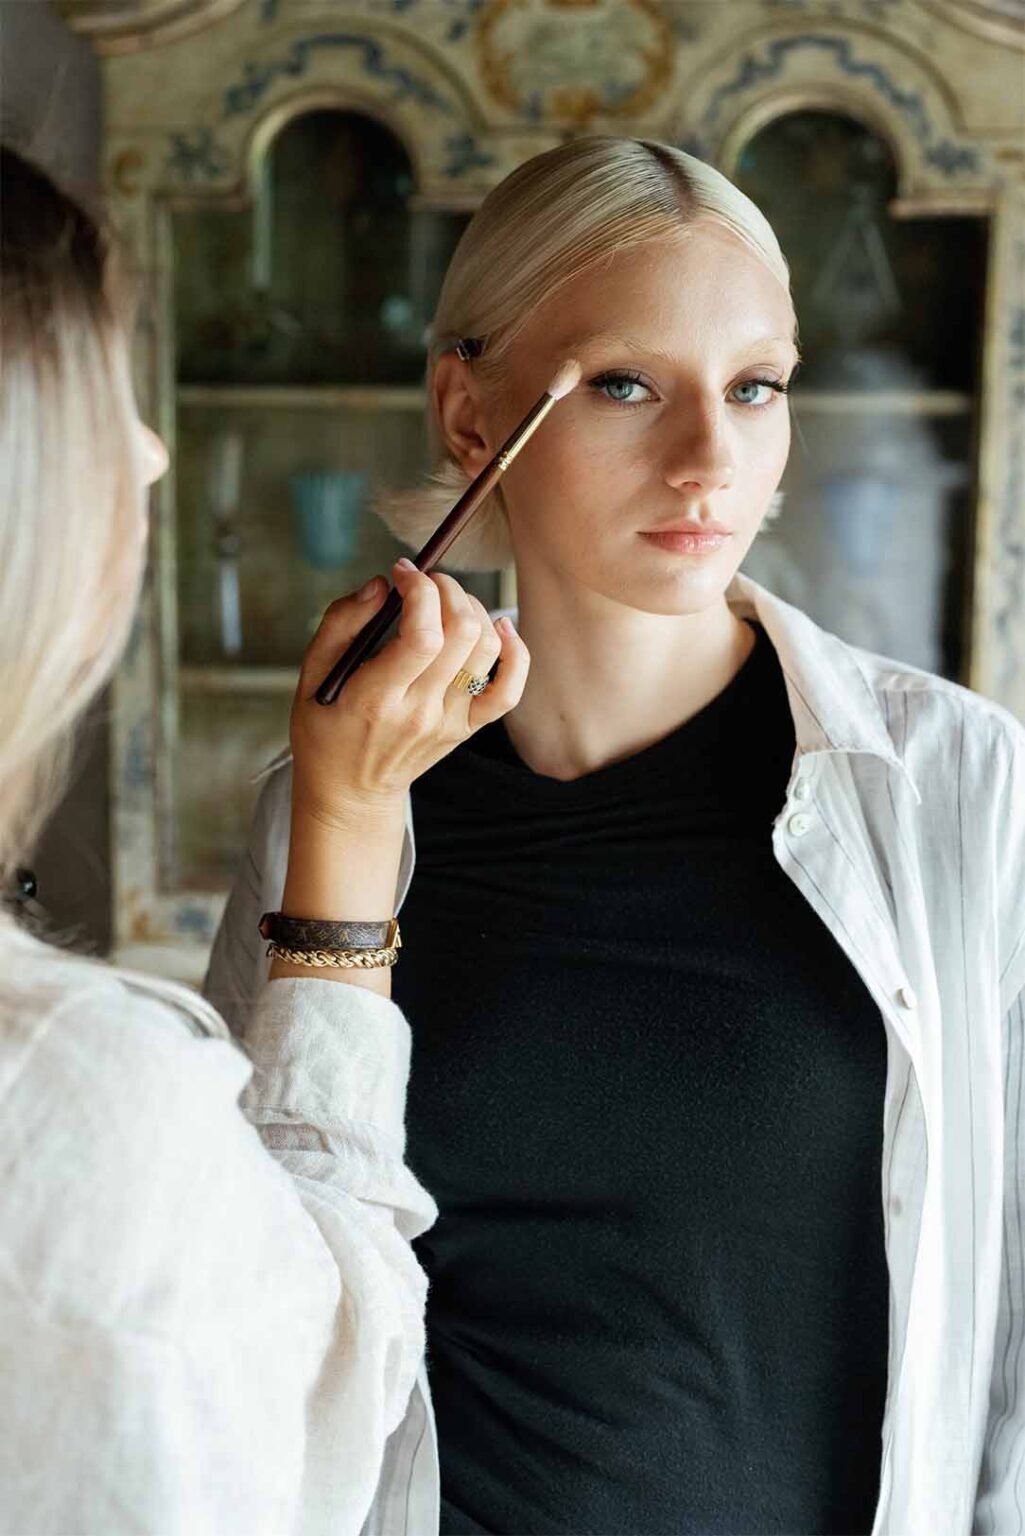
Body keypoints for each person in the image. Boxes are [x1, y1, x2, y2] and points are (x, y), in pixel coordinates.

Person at [206, 135, 1025, 1535]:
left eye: (756, 386)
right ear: (470, 419)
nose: (711, 457)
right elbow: (251, 1301)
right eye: (626, 384)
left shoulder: (950, 783)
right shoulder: (336, 800)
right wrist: (342, 828)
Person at [0, 144, 526, 1533]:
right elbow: (315, 1413)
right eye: (107, 392)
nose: (156, 445)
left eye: (760, 384)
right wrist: (348, 826)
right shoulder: (69, 1093)